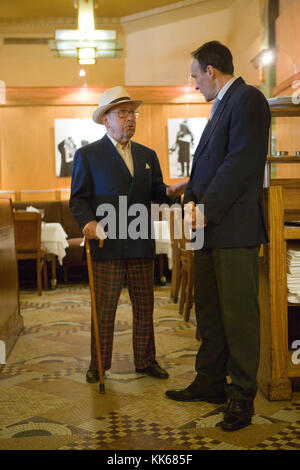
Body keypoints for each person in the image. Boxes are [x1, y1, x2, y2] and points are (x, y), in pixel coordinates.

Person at [165, 41, 270, 431]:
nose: (193, 84)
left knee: (238, 316)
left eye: (195, 76)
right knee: (210, 312)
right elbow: (205, 166)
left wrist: (204, 209)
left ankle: (242, 397)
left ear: (211, 71)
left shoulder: (248, 99)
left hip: (233, 228)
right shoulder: (221, 106)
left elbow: (240, 163)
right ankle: (210, 380)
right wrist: (191, 197)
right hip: (207, 228)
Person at [70, 86, 186, 383]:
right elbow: (78, 199)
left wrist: (171, 193)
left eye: (132, 112)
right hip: (106, 244)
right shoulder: (88, 154)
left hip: (140, 243)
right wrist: (88, 223)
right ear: (105, 119)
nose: (129, 118)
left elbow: (158, 193)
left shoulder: (148, 154)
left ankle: (146, 360)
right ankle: (98, 364)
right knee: (104, 310)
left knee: (145, 307)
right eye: (121, 112)